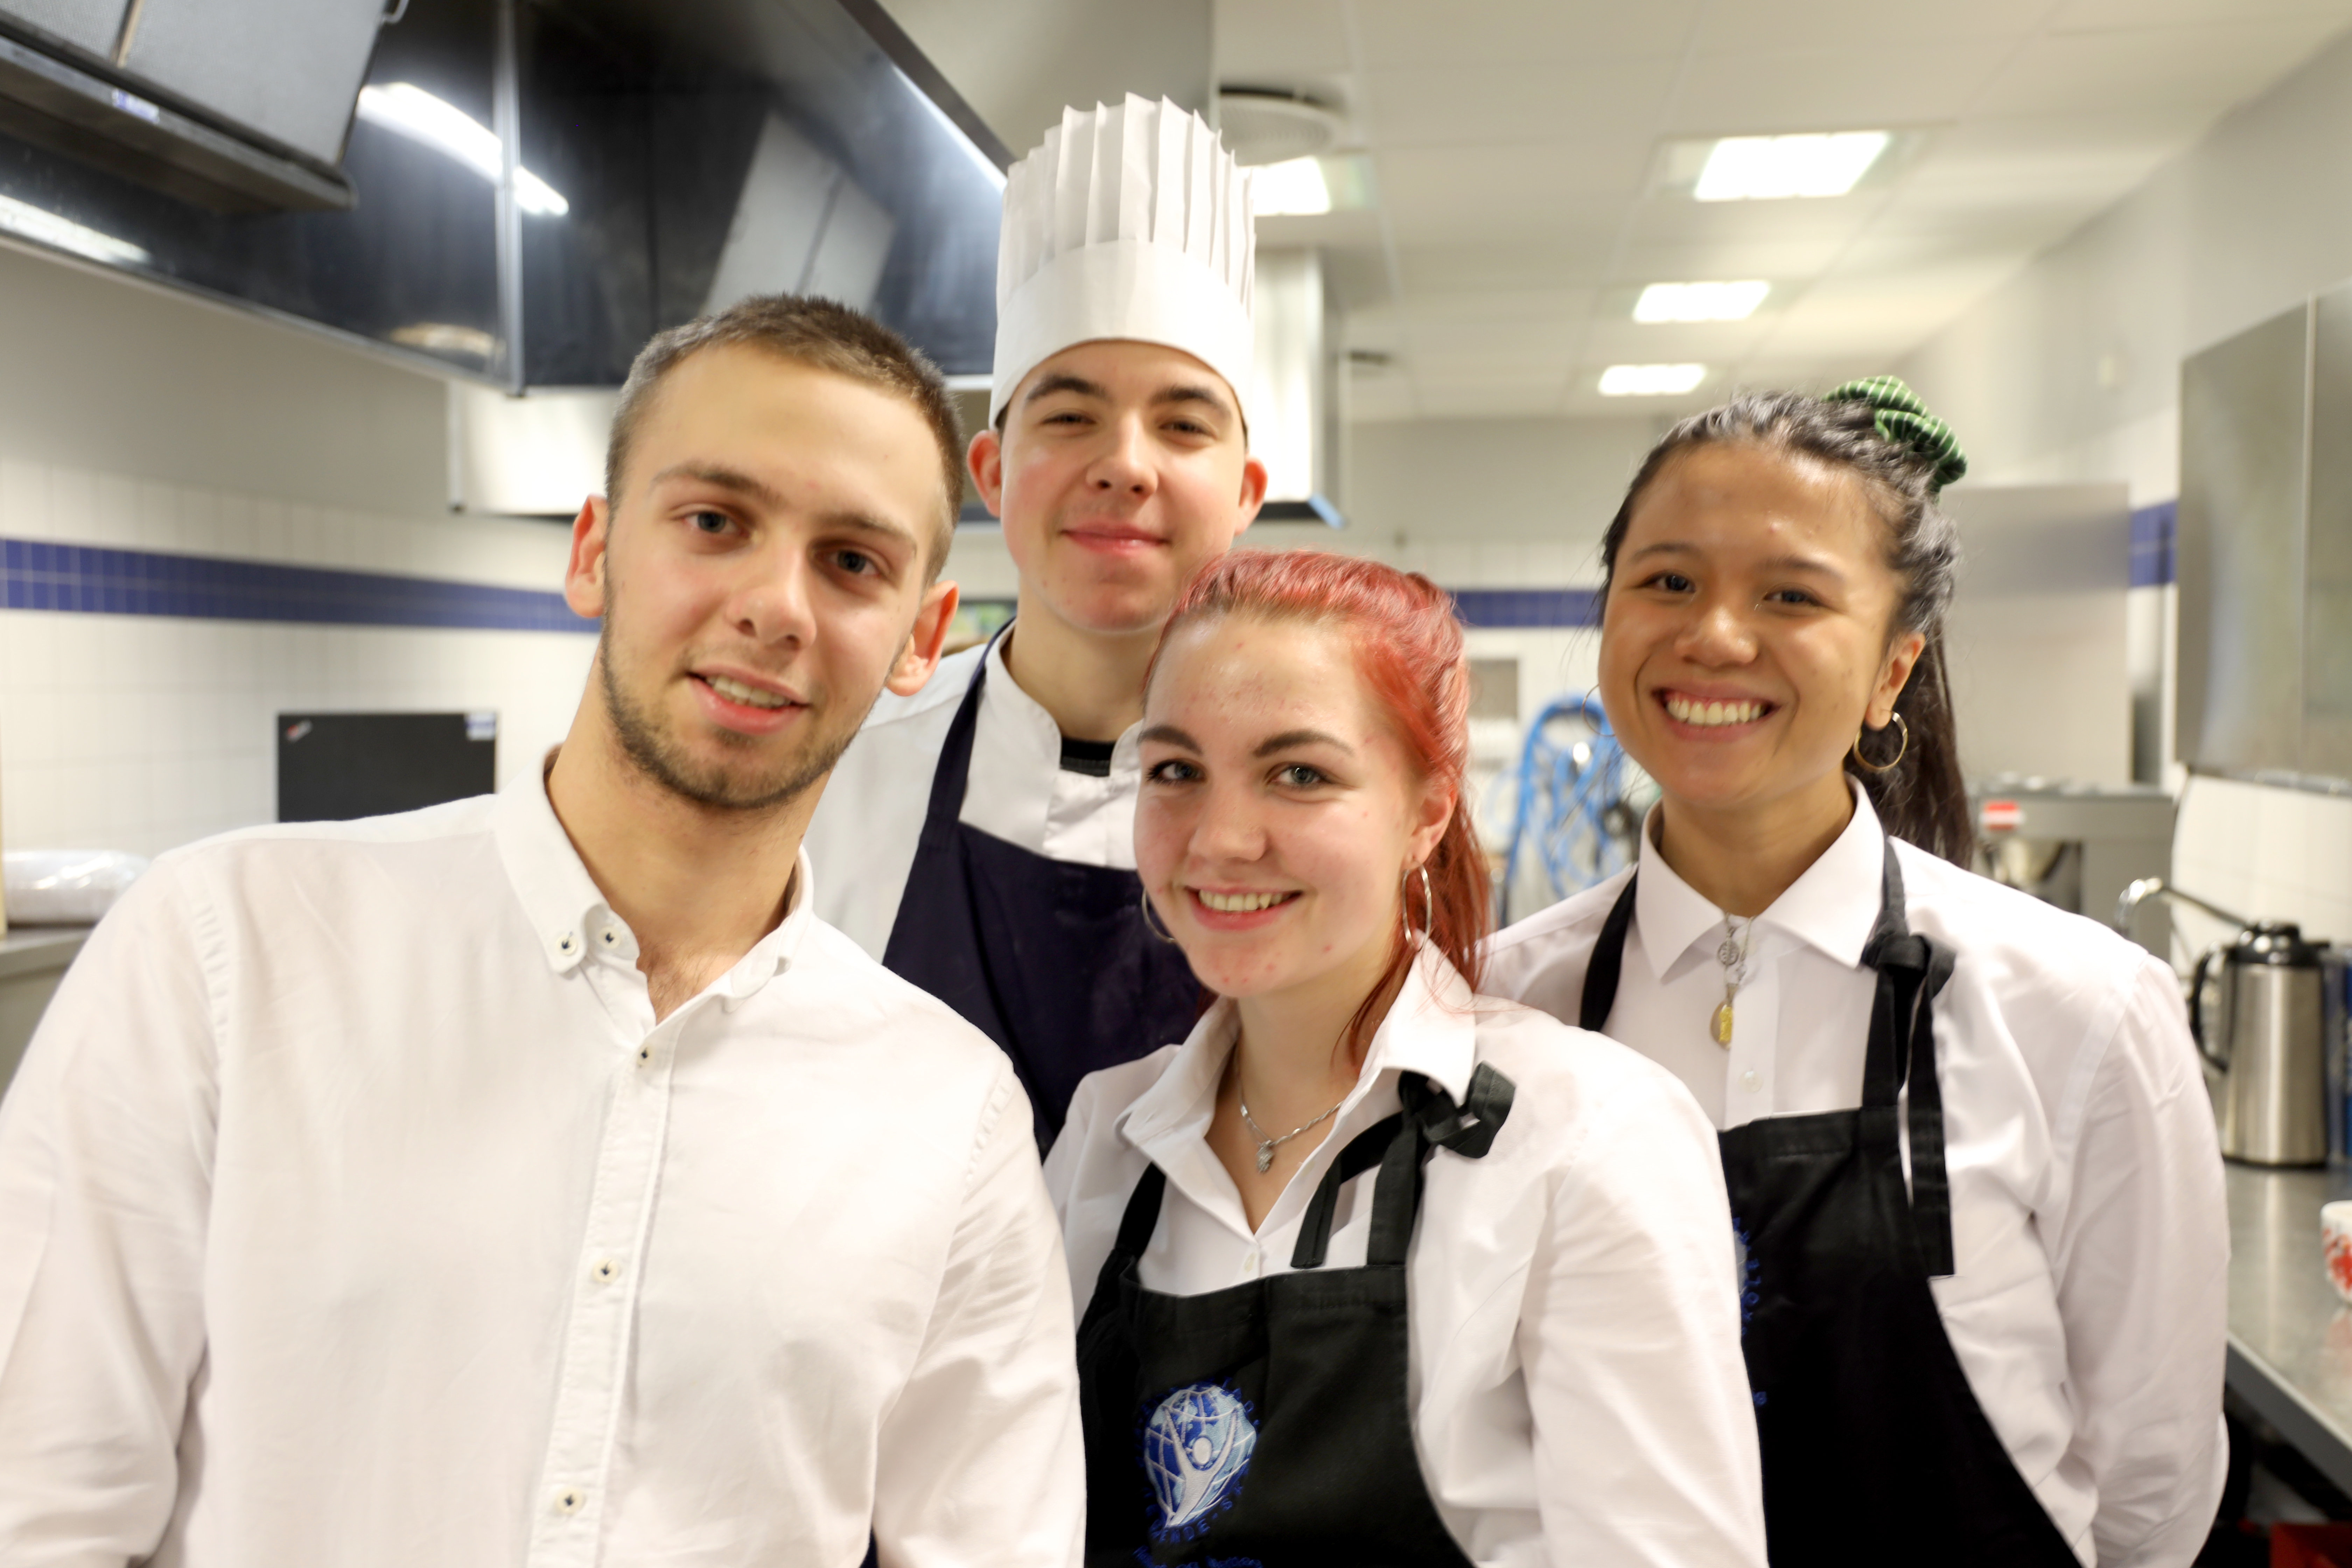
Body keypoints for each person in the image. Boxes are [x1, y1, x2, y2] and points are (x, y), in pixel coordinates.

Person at [0, 296, 1083, 1568]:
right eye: (715, 522)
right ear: (594, 554)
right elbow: (41, 1508)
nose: (775, 605)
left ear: (919, 639)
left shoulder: (946, 1116)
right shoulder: (226, 950)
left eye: (852, 561)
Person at [1484, 379, 2227, 1567]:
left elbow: (2153, 1485)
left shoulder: (2083, 1014)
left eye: (1790, 594)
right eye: (1667, 581)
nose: (1714, 635)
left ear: (1894, 670)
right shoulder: (1507, 1011)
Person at [1045, 550, 1768, 1566]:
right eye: (1177, 772)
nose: (1221, 838)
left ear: (1427, 809)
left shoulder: (1582, 1137)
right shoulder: (1107, 1142)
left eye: (1299, 774)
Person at [807, 95, 1267, 1139]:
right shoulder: (841, 777)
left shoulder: (1314, 810)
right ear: (993, 471)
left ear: (1245, 491)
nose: (1125, 465)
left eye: (1183, 423)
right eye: (1070, 415)